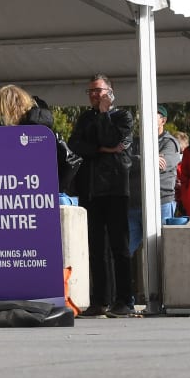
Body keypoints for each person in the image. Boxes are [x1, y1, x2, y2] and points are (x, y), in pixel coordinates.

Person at [68, 74, 135, 318]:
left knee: (120, 246)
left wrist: (105, 114)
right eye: (91, 92)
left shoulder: (122, 116)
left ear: (110, 91)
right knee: (96, 248)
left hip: (115, 189)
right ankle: (100, 300)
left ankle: (124, 300)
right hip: (90, 190)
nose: (94, 95)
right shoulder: (85, 118)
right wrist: (101, 149)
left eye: (98, 91)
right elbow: (75, 145)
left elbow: (113, 139)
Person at [0, 84, 80, 195]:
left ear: (11, 108)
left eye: (2, 113)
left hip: (41, 191)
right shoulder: (39, 125)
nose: (2, 118)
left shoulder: (30, 129)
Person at [127, 106, 181, 257]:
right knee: (126, 251)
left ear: (163, 120)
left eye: (152, 115)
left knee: (161, 252)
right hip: (134, 204)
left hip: (160, 204)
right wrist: (149, 158)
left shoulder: (170, 142)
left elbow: (164, 164)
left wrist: (138, 160)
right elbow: (125, 162)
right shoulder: (134, 142)